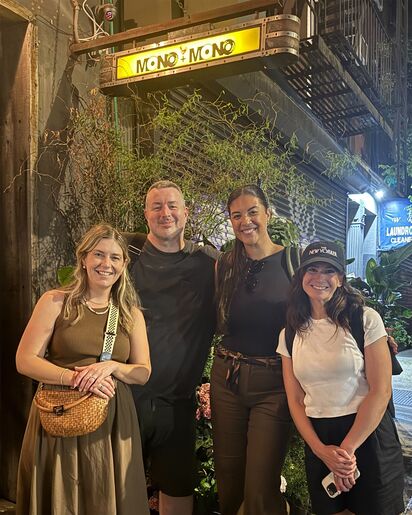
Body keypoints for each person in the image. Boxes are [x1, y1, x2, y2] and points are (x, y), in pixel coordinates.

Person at [15, 224, 151, 515]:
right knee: (61, 496)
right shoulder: (55, 302)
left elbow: (142, 372)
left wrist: (113, 366)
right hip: (59, 414)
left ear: (124, 265)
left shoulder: (131, 314)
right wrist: (75, 378)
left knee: (104, 495)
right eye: (99, 254)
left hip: (112, 421)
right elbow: (25, 359)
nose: (106, 263)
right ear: (84, 258)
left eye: (115, 257)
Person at [277, 241, 404, 515]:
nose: (319, 277)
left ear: (341, 279)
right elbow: (295, 399)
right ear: (301, 276)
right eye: (312, 269)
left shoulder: (365, 319)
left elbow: (380, 391)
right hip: (320, 438)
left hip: (368, 434)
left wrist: (346, 452)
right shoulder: (290, 333)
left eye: (329, 270)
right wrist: (320, 450)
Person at [127, 180, 219, 515]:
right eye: (157, 206)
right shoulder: (126, 255)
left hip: (178, 403)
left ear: (186, 212)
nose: (165, 213)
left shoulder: (209, 263)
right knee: (120, 491)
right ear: (146, 214)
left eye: (172, 206)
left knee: (178, 491)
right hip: (127, 397)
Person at [211, 184, 292, 515]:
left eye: (252, 212)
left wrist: (372, 334)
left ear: (268, 214)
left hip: (274, 384)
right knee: (228, 479)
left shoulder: (294, 262)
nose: (245, 221)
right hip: (226, 378)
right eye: (236, 215)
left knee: (260, 486)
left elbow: (330, 301)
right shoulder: (225, 264)